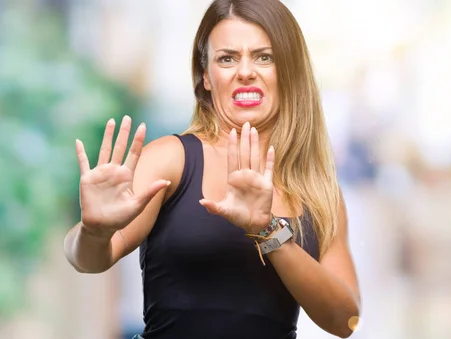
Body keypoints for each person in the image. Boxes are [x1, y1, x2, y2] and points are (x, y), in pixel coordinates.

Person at [62, 0, 361, 338]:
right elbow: (86, 259)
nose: (245, 71)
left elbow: (345, 321)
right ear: (205, 76)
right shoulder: (171, 159)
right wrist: (94, 231)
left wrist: (269, 232)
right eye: (227, 58)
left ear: (290, 70)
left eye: (264, 57)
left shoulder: (319, 192)